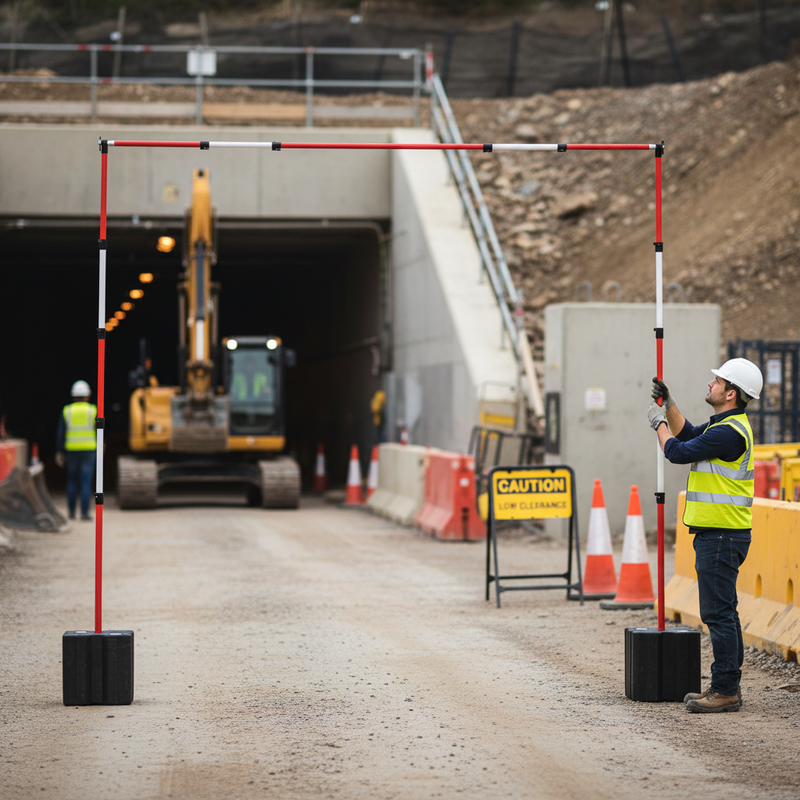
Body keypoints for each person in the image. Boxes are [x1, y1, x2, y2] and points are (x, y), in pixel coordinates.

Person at [647, 358, 762, 713]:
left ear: (731, 393)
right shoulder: (725, 425)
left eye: (718, 380)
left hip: (721, 534)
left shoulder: (729, 432)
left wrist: (657, 424)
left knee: (718, 614)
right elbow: (688, 434)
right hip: (722, 533)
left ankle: (725, 689)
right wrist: (670, 405)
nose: (710, 383)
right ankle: (728, 685)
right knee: (725, 612)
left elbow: (677, 451)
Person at [55, 380, 97, 521]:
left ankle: (71, 512)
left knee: (72, 481)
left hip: (71, 450)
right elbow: (100, 430)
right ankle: (84, 513)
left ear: (73, 396)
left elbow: (61, 433)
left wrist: (59, 451)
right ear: (87, 396)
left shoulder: (67, 410)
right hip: (89, 450)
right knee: (86, 483)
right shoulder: (93, 410)